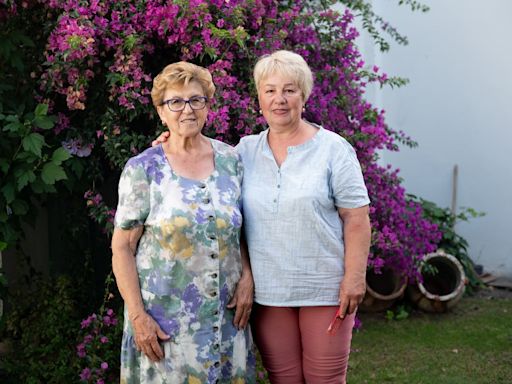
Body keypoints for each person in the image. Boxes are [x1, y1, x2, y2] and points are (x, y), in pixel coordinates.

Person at [155, 50, 371, 384]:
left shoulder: (334, 149)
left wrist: (354, 278)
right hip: (269, 294)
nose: (280, 99)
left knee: (324, 380)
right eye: (270, 90)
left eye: (289, 90)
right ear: (259, 98)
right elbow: (201, 168)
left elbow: (356, 218)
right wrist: (171, 142)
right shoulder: (242, 152)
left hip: (325, 289)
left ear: (304, 95)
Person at [112, 61, 255, 384]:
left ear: (208, 106)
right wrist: (138, 317)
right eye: (175, 102)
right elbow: (121, 248)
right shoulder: (143, 169)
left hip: (225, 320)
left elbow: (241, 228)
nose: (186, 109)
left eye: (196, 100)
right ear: (161, 112)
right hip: (164, 327)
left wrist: (248, 276)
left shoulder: (232, 161)